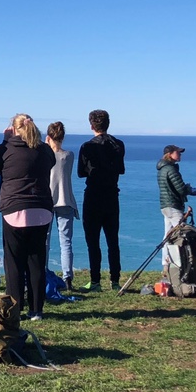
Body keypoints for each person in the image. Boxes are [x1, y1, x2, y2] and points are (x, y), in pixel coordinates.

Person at [0, 114, 56, 321]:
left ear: (14, 129)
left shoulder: (7, 148)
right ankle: (37, 310)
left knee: (14, 262)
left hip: (14, 209)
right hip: (42, 209)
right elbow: (51, 161)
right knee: (36, 260)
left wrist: (5, 141)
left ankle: (15, 308)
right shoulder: (44, 150)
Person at [77, 109, 125, 291]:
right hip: (112, 194)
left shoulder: (87, 146)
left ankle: (95, 280)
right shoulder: (118, 144)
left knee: (93, 240)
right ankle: (115, 280)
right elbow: (121, 169)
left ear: (91, 125)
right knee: (113, 240)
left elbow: (81, 172)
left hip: (94, 195)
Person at [46, 122, 78, 292]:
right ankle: (68, 278)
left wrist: (46, 145)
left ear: (49, 137)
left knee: (45, 242)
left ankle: (42, 273)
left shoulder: (45, 155)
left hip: (47, 202)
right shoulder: (69, 155)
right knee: (66, 242)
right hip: (66, 201)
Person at [157, 145, 196, 237]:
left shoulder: (163, 169)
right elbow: (181, 189)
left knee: (168, 235)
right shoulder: (171, 169)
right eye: (178, 153)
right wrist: (190, 190)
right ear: (170, 154)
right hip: (173, 205)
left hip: (165, 205)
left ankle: (167, 252)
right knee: (181, 234)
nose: (180, 155)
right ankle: (180, 251)